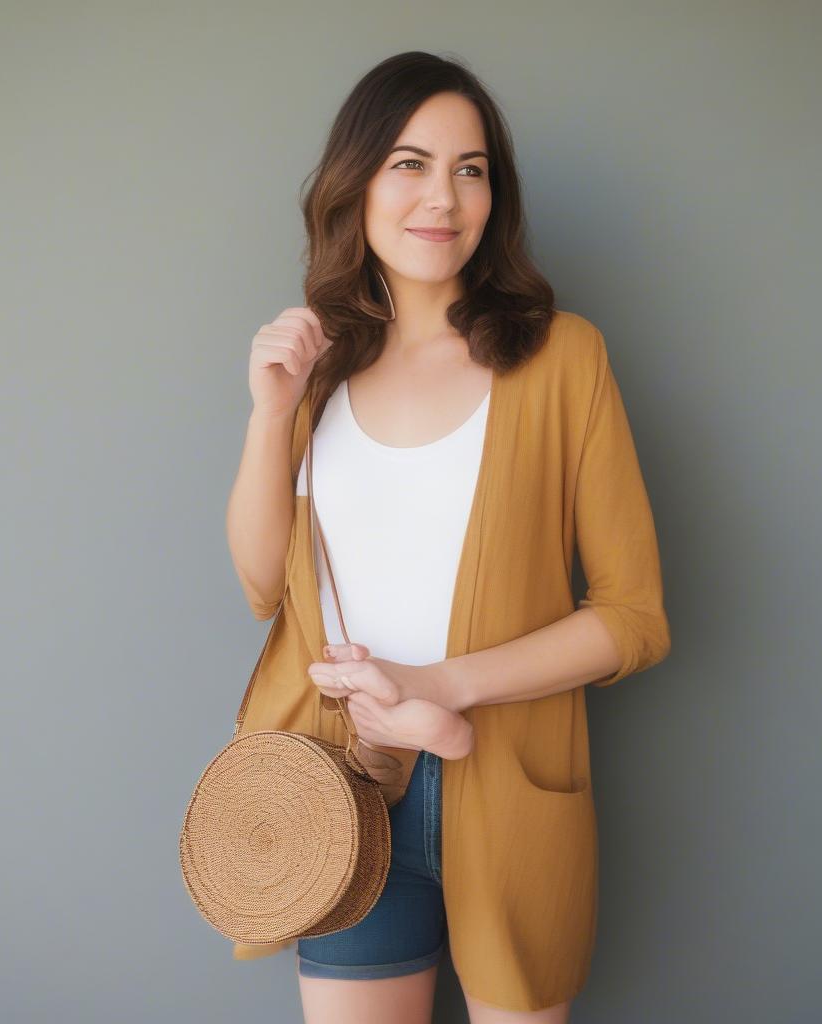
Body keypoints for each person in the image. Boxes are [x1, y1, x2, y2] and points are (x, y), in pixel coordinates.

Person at [226, 51, 671, 1024]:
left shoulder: (562, 358)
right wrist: (271, 415)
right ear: (357, 183)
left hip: (504, 783)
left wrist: (440, 686)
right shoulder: (322, 367)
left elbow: (636, 619)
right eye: (410, 163)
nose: (444, 196)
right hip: (336, 785)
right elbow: (265, 585)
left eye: (471, 168)